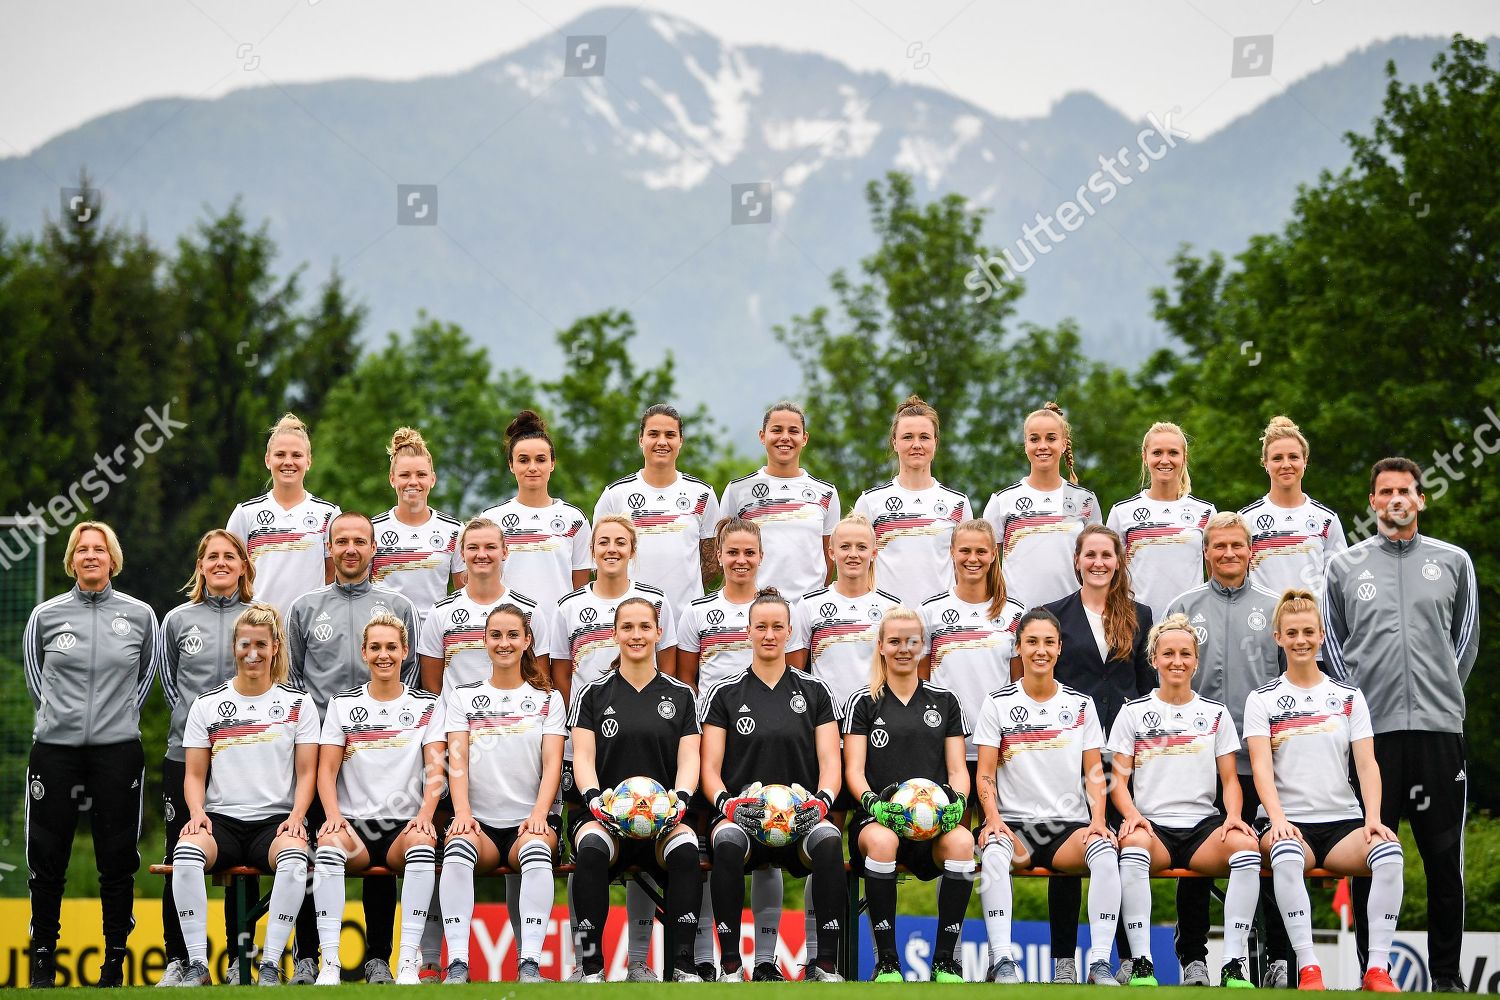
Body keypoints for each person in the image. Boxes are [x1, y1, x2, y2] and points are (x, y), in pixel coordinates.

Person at [1323, 457, 1478, 993]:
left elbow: (1465, 642)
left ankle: (1448, 976)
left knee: (1442, 859)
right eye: (1385, 491)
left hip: (1439, 732)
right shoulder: (1343, 567)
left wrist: (1441, 696)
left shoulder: (1454, 562)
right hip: (1373, 738)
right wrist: (1358, 712)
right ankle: (1374, 971)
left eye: (1405, 491)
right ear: (1372, 502)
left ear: (1420, 498)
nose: (1396, 499)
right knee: (1372, 853)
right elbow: (1334, 649)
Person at [1244, 590, 1404, 993]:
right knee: (1285, 854)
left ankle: (1378, 970)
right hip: (1288, 823)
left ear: (1320, 636)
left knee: (1389, 853)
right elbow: (1261, 767)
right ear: (1278, 637)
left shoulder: (1348, 698)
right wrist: (1277, 819)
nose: (1301, 640)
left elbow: (1367, 764)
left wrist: (1373, 820)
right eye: (1292, 632)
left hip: (1343, 826)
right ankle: (1310, 968)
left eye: (1309, 632)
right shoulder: (1262, 700)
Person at [285, 510, 420, 983]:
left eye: (359, 541)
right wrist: (317, 736)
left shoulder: (396, 608)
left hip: (377, 748)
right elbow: (295, 680)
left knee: (379, 845)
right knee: (316, 846)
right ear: (329, 546)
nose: (350, 549)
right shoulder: (303, 608)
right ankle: (308, 955)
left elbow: (411, 675)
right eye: (341, 540)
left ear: (372, 548)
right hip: (319, 752)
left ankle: (378, 955)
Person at [23, 521, 159, 989]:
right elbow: (36, 682)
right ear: (71, 560)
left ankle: (114, 964)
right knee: (47, 855)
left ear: (113, 558)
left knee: (117, 857)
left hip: (116, 751)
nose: (90, 556)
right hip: (55, 751)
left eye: (99, 549)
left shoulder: (141, 615)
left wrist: (114, 721)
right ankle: (43, 962)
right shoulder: (45, 615)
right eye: (82, 549)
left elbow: (145, 679)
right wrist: (58, 722)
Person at [675, 518, 805, 979]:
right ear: (720, 557)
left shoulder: (783, 612)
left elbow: (798, 678)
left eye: (750, 552)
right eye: (733, 552)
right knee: (717, 851)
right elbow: (686, 681)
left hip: (771, 741)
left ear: (760, 557)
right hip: (717, 743)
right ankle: (710, 958)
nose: (741, 560)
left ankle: (767, 959)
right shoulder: (696, 612)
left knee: (770, 833)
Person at [1165, 511, 1289, 987]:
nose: (1229, 554)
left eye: (1237, 545)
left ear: (1251, 550)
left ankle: (1278, 956)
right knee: (1194, 858)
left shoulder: (1275, 607)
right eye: (1219, 546)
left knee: (1274, 855)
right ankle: (1193, 956)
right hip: (1197, 762)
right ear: (1206, 552)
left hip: (1263, 763)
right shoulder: (1183, 607)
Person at [550, 515, 675, 982]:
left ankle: (642, 962)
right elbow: (562, 675)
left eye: (621, 542)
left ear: (632, 549)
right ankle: (585, 962)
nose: (611, 548)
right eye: (603, 541)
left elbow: (678, 669)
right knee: (587, 859)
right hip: (591, 755)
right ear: (592, 549)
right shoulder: (569, 607)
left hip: (652, 752)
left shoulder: (657, 604)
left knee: (649, 845)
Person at [699, 588, 847, 982]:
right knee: (726, 843)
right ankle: (730, 965)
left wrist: (822, 803)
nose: (769, 634)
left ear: (790, 631)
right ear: (747, 631)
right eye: (761, 626)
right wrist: (728, 805)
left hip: (801, 816)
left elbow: (832, 760)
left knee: (831, 840)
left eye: (777, 626)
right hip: (743, 815)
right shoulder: (724, 693)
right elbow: (708, 768)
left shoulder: (815, 691)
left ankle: (826, 965)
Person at [1106, 613, 1261, 988]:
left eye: (1186, 654)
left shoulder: (1215, 714)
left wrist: (1235, 816)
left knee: (1246, 850)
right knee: (1132, 849)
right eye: (1169, 653)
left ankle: (1233, 964)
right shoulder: (1133, 713)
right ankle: (1142, 962)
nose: (1177, 661)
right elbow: (1117, 781)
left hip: (1202, 828)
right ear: (1154, 659)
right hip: (1152, 826)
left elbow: (1230, 779)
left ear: (1196, 660)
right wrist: (1130, 814)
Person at [171, 603, 320, 988]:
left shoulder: (298, 705)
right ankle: (196, 965)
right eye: (244, 644)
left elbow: (307, 773)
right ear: (234, 647)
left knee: (294, 860)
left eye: (260, 644)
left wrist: (297, 817)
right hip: (220, 821)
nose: (252, 653)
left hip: (273, 822)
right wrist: (196, 811)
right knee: (185, 854)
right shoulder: (206, 705)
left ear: (275, 647)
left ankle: (269, 964)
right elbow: (193, 773)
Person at [971, 608, 1122, 986]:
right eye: (1032, 642)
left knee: (1105, 854)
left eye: (1049, 643)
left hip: (1066, 827)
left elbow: (1094, 773)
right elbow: (985, 772)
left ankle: (1100, 963)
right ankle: (1003, 961)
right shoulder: (998, 702)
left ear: (1059, 649)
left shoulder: (1081, 705)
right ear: (1018, 647)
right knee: (991, 858)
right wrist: (991, 819)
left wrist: (1099, 821)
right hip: (1013, 826)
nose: (1041, 650)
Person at [1041, 524, 1154, 984]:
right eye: (1090, 555)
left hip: (1125, 756)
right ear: (1077, 560)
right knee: (1073, 850)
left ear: (1119, 560)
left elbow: (1148, 689)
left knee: (1126, 848)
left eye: (1107, 555)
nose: (1098, 563)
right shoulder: (1054, 617)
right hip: (1073, 752)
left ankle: (1126, 958)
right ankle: (1065, 959)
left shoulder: (1140, 614)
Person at [568, 598, 704, 981]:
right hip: (605, 816)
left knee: (687, 850)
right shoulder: (593, 694)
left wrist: (680, 800)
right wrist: (596, 800)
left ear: (659, 633)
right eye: (627, 627)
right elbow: (582, 757)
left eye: (645, 626)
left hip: (663, 819)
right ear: (614, 634)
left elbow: (690, 757)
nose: (636, 635)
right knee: (591, 850)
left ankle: (682, 964)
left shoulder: (681, 695)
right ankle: (590, 966)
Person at [311, 614, 446, 986]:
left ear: (405, 652)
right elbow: (326, 771)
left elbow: (437, 770)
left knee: (422, 843)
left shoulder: (427, 706)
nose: (383, 655)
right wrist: (333, 816)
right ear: (364, 653)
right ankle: (330, 964)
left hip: (402, 828)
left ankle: (406, 962)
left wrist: (425, 815)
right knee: (327, 847)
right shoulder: (341, 705)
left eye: (391, 647)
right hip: (354, 826)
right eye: (375, 647)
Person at [843, 606, 973, 983]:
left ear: (923, 645)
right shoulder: (863, 702)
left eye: (911, 641)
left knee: (964, 842)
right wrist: (875, 806)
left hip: (932, 824)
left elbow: (956, 771)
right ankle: (886, 962)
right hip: (878, 819)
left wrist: (958, 804)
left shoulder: (945, 701)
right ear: (881, 645)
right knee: (883, 842)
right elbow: (853, 770)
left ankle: (946, 961)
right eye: (895, 641)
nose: (903, 648)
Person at [439, 605, 566, 984]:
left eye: (513, 635)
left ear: (527, 641)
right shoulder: (463, 697)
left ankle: (529, 964)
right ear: (484, 641)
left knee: (537, 849)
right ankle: (458, 964)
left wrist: (540, 814)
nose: (504, 643)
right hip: (480, 825)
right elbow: (456, 761)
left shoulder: (548, 699)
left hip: (529, 820)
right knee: (458, 846)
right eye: (496, 635)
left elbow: (552, 766)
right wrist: (461, 812)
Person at [155, 529, 255, 987]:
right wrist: (198, 729)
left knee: (245, 855)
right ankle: (180, 958)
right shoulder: (177, 620)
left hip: (246, 754)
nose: (220, 563)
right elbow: (168, 683)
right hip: (184, 755)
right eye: (211, 556)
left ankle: (240, 958)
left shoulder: (258, 618)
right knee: (180, 853)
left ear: (242, 566)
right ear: (200, 565)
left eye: (229, 556)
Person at [919, 519, 1024, 803]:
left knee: (997, 835)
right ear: (952, 552)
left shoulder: (1015, 613)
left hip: (998, 745)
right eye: (965, 550)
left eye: (981, 551)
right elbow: (921, 684)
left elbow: (1018, 686)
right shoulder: (930, 611)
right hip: (947, 745)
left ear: (993, 555)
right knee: (956, 839)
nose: (973, 559)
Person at [594, 403, 721, 615]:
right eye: (653, 434)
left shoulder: (702, 494)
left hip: (686, 619)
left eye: (670, 435)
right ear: (641, 439)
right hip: (631, 621)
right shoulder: (615, 495)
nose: (662, 442)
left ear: (681, 440)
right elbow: (600, 561)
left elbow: (712, 562)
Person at [852, 396, 972, 609]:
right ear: (894, 442)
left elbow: (965, 570)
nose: (916, 445)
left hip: (941, 625)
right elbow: (854, 568)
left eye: (924, 437)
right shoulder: (870, 502)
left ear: (935, 442)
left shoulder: (958, 504)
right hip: (887, 624)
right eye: (908, 437)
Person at [982, 402, 1101, 609]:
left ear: (1064, 444)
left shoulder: (1084, 500)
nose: (1042, 446)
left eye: (1051, 438)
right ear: (1025, 444)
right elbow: (984, 566)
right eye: (1034, 439)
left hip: (1073, 616)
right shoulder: (1003, 501)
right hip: (1018, 617)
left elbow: (1097, 563)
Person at [418, 517, 552, 696]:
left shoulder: (529, 611)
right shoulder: (441, 611)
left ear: (505, 552)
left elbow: (539, 679)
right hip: (457, 722)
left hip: (513, 721)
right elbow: (431, 686)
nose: (481, 554)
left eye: (490, 547)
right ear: (462, 554)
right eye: (473, 547)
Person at [719, 402, 839, 601]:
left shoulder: (826, 493)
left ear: (805, 438)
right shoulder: (737, 490)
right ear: (762, 436)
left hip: (808, 610)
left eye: (793, 431)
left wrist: (813, 599)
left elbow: (830, 556)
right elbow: (724, 552)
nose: (785, 437)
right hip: (755, 608)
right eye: (777, 430)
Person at [225, 412, 340, 619]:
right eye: (280, 455)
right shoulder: (245, 513)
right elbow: (230, 573)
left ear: (309, 461)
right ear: (268, 460)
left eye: (296, 455)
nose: (288, 462)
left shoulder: (329, 514)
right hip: (259, 629)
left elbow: (331, 575)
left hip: (310, 627)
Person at [480, 410, 591, 611]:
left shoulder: (574, 519)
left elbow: (580, 590)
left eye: (540, 459)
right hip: (507, 635)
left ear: (552, 464)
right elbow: (481, 583)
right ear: (511, 465)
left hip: (558, 633)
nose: (532, 467)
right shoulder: (491, 520)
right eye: (523, 460)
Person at [1105, 422, 1216, 621]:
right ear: (1144, 457)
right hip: (1136, 626)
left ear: (1184, 458)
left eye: (1173, 453)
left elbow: (1216, 577)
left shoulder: (1206, 512)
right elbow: (1109, 578)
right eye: (1157, 453)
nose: (1165, 460)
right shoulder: (1121, 512)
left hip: (1189, 625)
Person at [1239, 415, 1346, 597]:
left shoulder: (1326, 519)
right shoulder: (1245, 519)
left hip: (1313, 623)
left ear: (1305, 460)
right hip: (1263, 623)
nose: (1286, 464)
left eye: (1294, 457)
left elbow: (1340, 582)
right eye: (1277, 458)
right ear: (1265, 463)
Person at [370, 427, 464, 625]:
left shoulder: (454, 530)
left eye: (421, 474)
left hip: (434, 638)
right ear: (392, 478)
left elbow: (464, 594)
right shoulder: (373, 529)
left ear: (433, 479)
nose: (413, 482)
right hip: (386, 641)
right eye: (405, 475)